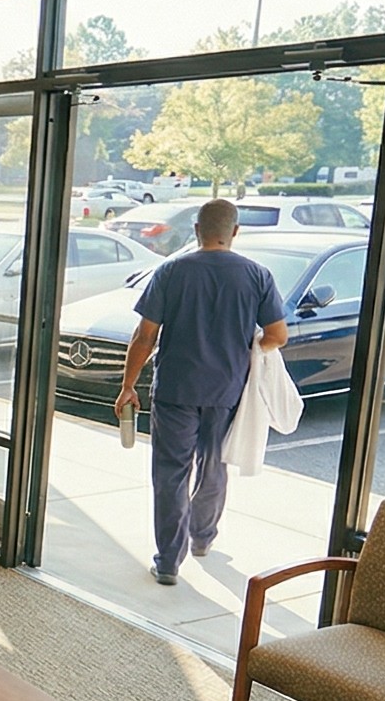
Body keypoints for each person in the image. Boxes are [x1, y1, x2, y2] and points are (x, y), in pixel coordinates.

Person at [116, 198, 289, 586]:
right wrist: (247, 350)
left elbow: (145, 336)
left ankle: (168, 562)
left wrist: (128, 385)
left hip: (176, 388)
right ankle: (203, 539)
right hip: (227, 390)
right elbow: (278, 336)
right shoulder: (257, 275)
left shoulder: (171, 272)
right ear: (235, 232)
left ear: (196, 230)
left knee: (170, 473)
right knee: (214, 466)